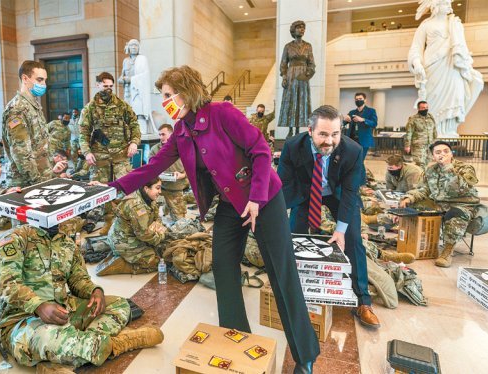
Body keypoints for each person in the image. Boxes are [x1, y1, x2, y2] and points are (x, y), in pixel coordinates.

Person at [93, 65, 319, 373]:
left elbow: (261, 151)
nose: (165, 102)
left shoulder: (222, 113)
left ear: (186, 93)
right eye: (163, 96)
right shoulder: (181, 132)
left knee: (281, 273)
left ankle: (304, 356)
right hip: (229, 204)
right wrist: (111, 189)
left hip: (263, 198)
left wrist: (256, 198)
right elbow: (152, 167)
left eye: (168, 95)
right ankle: (237, 342)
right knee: (224, 270)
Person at [0, 223, 163, 369]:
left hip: (64, 310)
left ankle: (71, 352)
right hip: (23, 321)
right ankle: (116, 343)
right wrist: (39, 306)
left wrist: (95, 291)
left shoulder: (66, 242)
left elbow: (78, 279)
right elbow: (8, 285)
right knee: (47, 337)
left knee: (119, 304)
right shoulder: (15, 239)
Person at [278, 105, 380, 329]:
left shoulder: (352, 150)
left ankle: (363, 300)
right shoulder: (293, 146)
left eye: (335, 134)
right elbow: (283, 184)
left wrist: (340, 230)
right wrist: (277, 221)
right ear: (310, 131)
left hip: (338, 193)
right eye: (323, 134)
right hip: (305, 192)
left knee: (353, 238)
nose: (330, 141)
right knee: (293, 235)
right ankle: (293, 291)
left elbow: (351, 191)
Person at [408, 0, 483, 137]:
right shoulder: (426, 25)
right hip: (433, 66)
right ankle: (432, 130)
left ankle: (448, 130)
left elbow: (462, 47)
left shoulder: (455, 23)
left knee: (455, 96)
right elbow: (416, 48)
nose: (449, 5)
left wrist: (466, 65)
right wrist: (417, 63)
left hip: (453, 66)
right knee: (433, 98)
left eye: (449, 3)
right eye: (444, 3)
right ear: (435, 6)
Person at [79, 72, 141, 235]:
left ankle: (127, 225)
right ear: (98, 85)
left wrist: (134, 142)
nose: (108, 90)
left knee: (126, 191)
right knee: (103, 194)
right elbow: (83, 133)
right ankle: (109, 224)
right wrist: (86, 152)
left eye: (111, 87)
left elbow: (134, 124)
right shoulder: (90, 108)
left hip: (121, 157)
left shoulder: (122, 105)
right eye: (105, 86)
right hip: (100, 159)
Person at [399, 141, 479, 267]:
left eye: (446, 151)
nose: (443, 154)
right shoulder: (430, 170)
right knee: (410, 205)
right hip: (440, 203)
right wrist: (409, 197)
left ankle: (448, 250)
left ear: (451, 153)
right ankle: (415, 240)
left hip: (462, 203)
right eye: (438, 152)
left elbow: (461, 189)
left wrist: (448, 168)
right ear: (433, 157)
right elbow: (424, 189)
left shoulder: (465, 168)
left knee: (455, 215)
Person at [97, 178, 167, 275]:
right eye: (157, 188)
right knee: (157, 262)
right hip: (123, 241)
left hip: (129, 235)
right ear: (146, 188)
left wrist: (158, 228)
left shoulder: (147, 197)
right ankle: (123, 265)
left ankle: (122, 256)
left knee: (162, 249)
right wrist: (160, 235)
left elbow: (157, 218)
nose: (160, 192)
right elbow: (143, 234)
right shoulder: (137, 206)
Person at [2, 60, 53, 188]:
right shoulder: (17, 109)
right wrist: (37, 182)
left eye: (45, 80)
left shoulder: (33, 105)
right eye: (40, 80)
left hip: (41, 177)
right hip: (26, 183)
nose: (44, 84)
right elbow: (21, 152)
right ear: (25, 78)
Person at [277, 20, 315, 139]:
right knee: (291, 100)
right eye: (299, 28)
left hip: (303, 77)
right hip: (291, 75)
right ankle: (290, 129)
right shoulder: (288, 46)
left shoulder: (308, 46)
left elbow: (311, 63)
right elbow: (283, 63)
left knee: (301, 100)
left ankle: (298, 128)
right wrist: (284, 76)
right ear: (294, 30)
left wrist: (307, 74)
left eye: (303, 28)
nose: (301, 29)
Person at [149, 124, 188, 221]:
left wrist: (182, 175)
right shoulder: (155, 149)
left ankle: (168, 206)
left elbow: (191, 165)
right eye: (159, 135)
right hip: (159, 187)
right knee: (150, 218)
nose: (161, 137)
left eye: (163, 134)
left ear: (171, 135)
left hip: (175, 186)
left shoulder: (182, 147)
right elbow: (150, 167)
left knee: (180, 221)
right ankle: (165, 205)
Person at [118, 39, 155, 135]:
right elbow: (122, 76)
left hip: (138, 91)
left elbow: (145, 75)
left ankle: (141, 131)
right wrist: (121, 79)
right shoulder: (125, 61)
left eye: (136, 45)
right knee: (128, 112)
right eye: (132, 45)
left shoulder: (142, 59)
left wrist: (131, 79)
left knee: (139, 112)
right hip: (128, 91)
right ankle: (130, 132)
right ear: (128, 48)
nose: (134, 47)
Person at [404, 101, 438, 169]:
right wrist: (407, 145)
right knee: (420, 163)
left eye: (426, 107)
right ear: (418, 109)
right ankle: (419, 177)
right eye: (423, 108)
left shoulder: (430, 117)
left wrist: (435, 142)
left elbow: (434, 130)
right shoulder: (413, 119)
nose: (425, 109)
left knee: (427, 161)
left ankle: (422, 175)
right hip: (418, 145)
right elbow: (409, 132)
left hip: (429, 144)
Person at [343, 92, 377, 157]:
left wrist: (363, 119)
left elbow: (374, 124)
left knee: (360, 160)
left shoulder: (371, 111)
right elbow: (343, 123)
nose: (358, 100)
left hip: (364, 140)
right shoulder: (352, 112)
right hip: (352, 140)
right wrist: (344, 119)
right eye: (356, 99)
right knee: (353, 160)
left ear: (365, 100)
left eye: (360, 98)